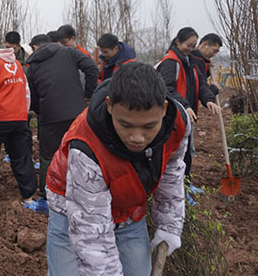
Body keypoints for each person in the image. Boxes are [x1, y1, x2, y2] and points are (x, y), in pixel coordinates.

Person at [45, 62, 191, 276]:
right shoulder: (87, 147)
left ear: (164, 109)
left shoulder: (177, 123)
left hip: (128, 211)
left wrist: (169, 224)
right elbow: (92, 236)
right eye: (126, 125)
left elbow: (172, 170)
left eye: (149, 126)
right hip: (75, 211)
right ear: (110, 106)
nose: (137, 138)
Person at [25, 33, 98, 214]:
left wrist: (40, 110)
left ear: (35, 47)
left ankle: (46, 199)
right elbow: (91, 68)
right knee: (81, 152)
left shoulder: (33, 65)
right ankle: (83, 194)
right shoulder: (69, 53)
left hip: (50, 116)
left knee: (48, 157)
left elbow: (32, 94)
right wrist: (88, 94)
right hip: (76, 113)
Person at [156, 27, 222, 186]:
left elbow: (200, 85)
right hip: (173, 116)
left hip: (187, 116)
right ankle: (176, 185)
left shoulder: (190, 62)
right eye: (188, 45)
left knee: (186, 152)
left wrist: (209, 100)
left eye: (193, 46)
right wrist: (185, 106)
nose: (191, 49)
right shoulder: (171, 62)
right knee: (175, 153)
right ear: (178, 42)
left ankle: (185, 185)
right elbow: (167, 89)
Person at [0, 41, 36, 209]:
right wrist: (23, 111)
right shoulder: (16, 63)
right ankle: (28, 198)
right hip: (19, 117)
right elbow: (26, 91)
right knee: (21, 156)